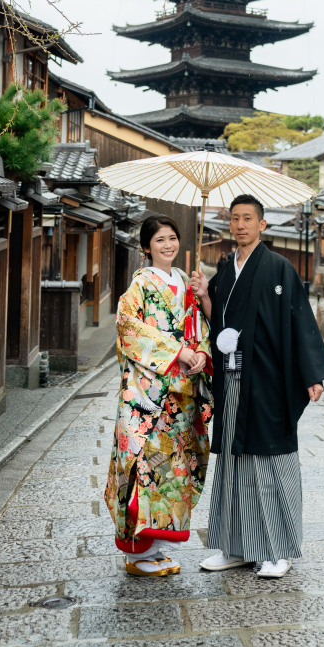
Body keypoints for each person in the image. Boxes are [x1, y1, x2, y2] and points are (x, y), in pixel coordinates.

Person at [189, 194, 324, 578]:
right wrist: (204, 295)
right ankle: (235, 547)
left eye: (248, 218)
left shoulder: (279, 268)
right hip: (233, 380)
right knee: (234, 462)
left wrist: (311, 374)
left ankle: (279, 550)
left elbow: (300, 320)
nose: (240, 225)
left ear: (262, 224)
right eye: (235, 218)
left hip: (269, 380)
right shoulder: (226, 269)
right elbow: (218, 321)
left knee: (271, 460)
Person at [104, 215, 213, 577]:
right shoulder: (140, 284)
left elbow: (198, 327)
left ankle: (159, 548)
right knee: (143, 466)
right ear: (146, 247)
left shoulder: (184, 280)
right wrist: (178, 351)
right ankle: (137, 554)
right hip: (147, 396)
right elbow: (128, 328)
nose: (168, 245)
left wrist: (201, 352)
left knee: (174, 470)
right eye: (160, 240)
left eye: (172, 238)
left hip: (181, 394)